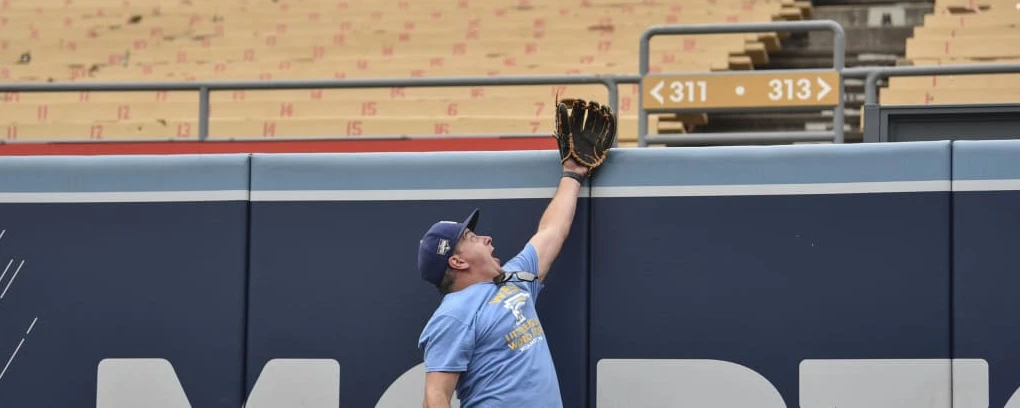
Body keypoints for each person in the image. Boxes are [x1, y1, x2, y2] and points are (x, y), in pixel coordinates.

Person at [415, 157, 590, 408]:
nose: (486, 238)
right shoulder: (453, 314)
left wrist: (572, 175)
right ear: (458, 262)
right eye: (472, 238)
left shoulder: (513, 277)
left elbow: (552, 230)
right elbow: (435, 397)